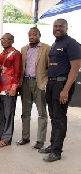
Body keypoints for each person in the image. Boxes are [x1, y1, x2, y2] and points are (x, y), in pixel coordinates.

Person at [39, 19, 81, 162]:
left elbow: (75, 69)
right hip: (51, 85)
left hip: (62, 85)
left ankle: (56, 152)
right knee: (53, 117)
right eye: (55, 26)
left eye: (60, 26)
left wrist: (66, 90)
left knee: (59, 119)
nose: (57, 28)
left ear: (66, 28)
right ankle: (52, 145)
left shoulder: (71, 43)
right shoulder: (55, 44)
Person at [16, 28, 51, 149]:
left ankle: (40, 140)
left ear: (39, 35)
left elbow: (50, 67)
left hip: (39, 83)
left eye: (34, 34)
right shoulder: (24, 49)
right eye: (30, 35)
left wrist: (47, 83)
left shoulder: (46, 48)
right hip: (25, 82)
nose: (32, 37)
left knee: (42, 113)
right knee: (25, 112)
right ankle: (25, 137)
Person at [0, 33, 22, 147]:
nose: (4, 41)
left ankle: (7, 139)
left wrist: (14, 88)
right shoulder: (2, 54)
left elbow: (18, 72)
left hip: (9, 88)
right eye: (2, 39)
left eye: (6, 39)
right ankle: (0, 134)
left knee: (8, 114)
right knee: (0, 113)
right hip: (0, 88)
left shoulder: (16, 54)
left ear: (12, 41)